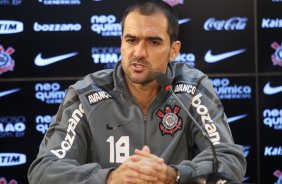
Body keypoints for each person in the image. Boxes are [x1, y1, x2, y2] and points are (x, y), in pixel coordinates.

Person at [27, 0, 247, 183]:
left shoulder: (191, 87)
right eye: (131, 40)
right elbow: (44, 170)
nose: (139, 52)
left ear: (174, 50)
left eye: (153, 42)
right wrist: (109, 178)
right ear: (121, 42)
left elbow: (229, 159)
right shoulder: (87, 93)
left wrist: (174, 175)